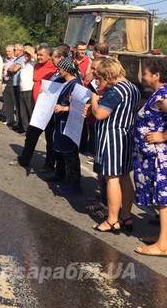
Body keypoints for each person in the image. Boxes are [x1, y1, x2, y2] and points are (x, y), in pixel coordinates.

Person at [88, 58, 141, 233]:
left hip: (112, 137)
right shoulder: (132, 87)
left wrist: (94, 99)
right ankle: (126, 215)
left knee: (112, 178)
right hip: (126, 134)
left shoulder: (115, 91)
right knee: (125, 176)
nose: (101, 80)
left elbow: (100, 114)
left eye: (102, 77)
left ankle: (112, 219)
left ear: (108, 74)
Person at [131, 57, 167, 256]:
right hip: (150, 156)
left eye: (145, 73)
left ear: (156, 76)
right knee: (160, 199)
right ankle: (164, 236)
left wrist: (162, 136)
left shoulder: (164, 95)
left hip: (160, 157)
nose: (142, 76)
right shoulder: (159, 94)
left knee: (164, 200)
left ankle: (163, 246)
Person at [51, 58, 84, 195]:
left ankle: (74, 184)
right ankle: (62, 177)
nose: (58, 71)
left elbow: (81, 105)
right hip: (61, 122)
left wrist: (64, 108)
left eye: (60, 69)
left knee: (70, 154)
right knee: (61, 151)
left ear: (66, 70)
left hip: (70, 123)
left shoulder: (76, 84)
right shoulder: (66, 82)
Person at [17, 45, 36, 133]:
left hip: (29, 89)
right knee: (23, 111)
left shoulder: (34, 62)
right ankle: (25, 129)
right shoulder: (25, 62)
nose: (26, 55)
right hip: (22, 88)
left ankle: (31, 130)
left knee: (29, 110)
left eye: (27, 54)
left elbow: (35, 57)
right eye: (25, 54)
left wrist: (30, 52)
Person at [2, 45, 17, 127]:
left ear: (13, 51)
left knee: (15, 103)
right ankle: (10, 120)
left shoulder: (16, 60)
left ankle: (18, 122)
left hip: (13, 82)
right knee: (7, 102)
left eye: (9, 51)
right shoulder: (5, 60)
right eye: (6, 51)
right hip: (6, 82)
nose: (7, 53)